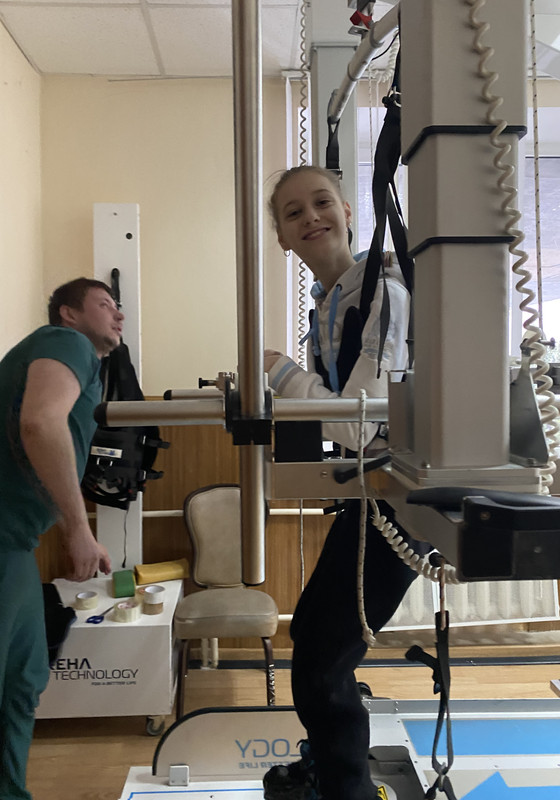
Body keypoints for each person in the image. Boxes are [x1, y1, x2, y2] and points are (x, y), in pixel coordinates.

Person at [262, 166, 429, 800]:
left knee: (322, 659)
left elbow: (359, 422)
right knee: (313, 638)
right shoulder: (327, 307)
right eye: (293, 213)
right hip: (373, 493)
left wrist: (280, 373)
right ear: (282, 238)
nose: (311, 218)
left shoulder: (384, 291)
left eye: (321, 202)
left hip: (405, 497)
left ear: (349, 212)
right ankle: (332, 770)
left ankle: (344, 788)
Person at [0, 277, 123, 799]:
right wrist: (78, 528)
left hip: (14, 542)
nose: (118, 314)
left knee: (21, 682)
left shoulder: (85, 364)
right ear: (68, 313)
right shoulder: (65, 341)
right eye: (104, 304)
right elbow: (41, 423)